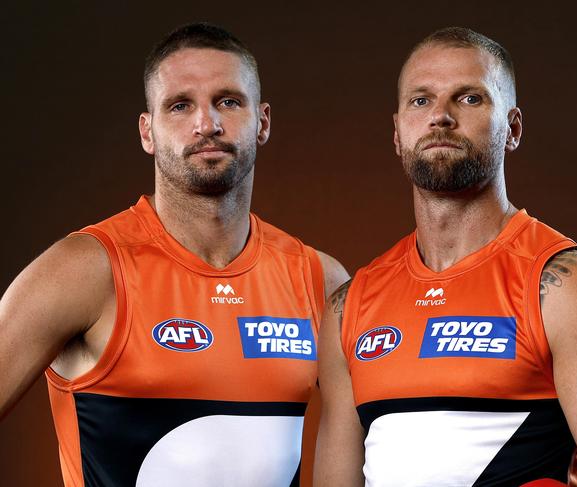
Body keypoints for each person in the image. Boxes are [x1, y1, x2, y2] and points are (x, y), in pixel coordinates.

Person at [0, 23, 348, 487]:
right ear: (148, 131)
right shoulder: (87, 268)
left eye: (228, 101)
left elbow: (378, 442)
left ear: (262, 121)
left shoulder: (317, 278)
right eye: (181, 106)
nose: (207, 124)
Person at [314, 27, 577, 486]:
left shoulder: (564, 285)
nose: (440, 117)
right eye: (420, 101)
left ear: (511, 128)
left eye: (469, 98)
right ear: (397, 132)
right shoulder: (350, 307)